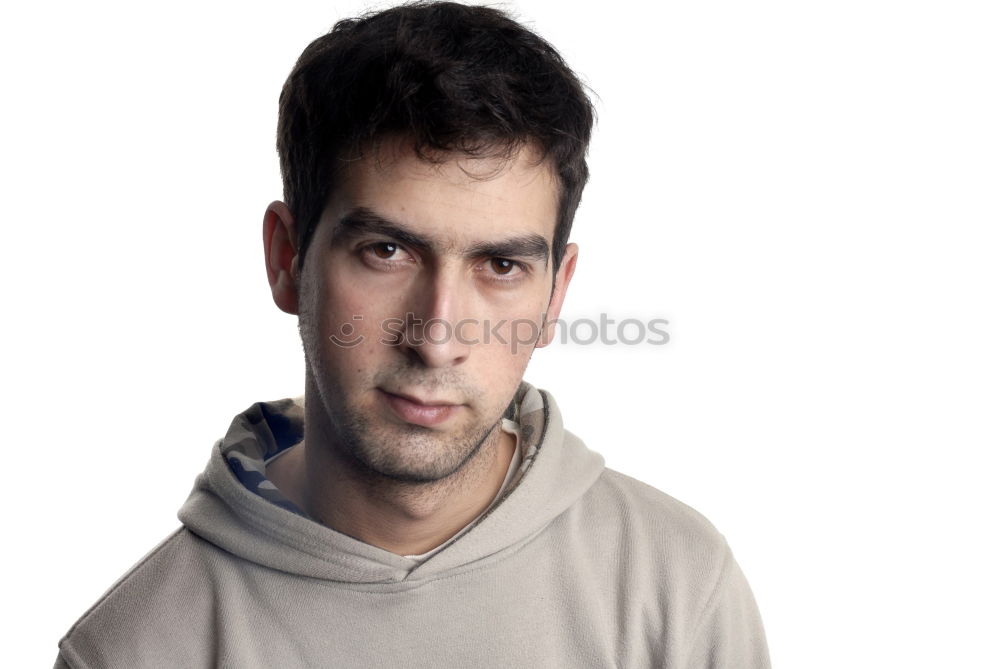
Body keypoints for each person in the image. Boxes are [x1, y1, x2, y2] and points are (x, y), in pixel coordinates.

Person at [54, 3, 769, 667]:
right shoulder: (133, 648)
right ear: (286, 258)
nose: (435, 336)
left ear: (555, 294)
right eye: (387, 252)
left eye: (500, 264)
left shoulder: (677, 589)